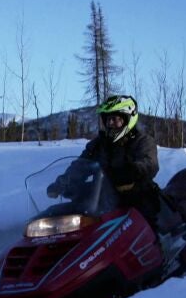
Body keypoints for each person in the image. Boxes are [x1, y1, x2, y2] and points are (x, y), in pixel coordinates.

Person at [48, 95, 161, 226]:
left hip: (134, 197)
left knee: (144, 223)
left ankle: (157, 244)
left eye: (115, 119)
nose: (111, 124)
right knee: (58, 215)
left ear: (128, 119)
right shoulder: (99, 144)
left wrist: (131, 171)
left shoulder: (142, 141)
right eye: (108, 120)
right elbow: (80, 166)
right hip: (102, 197)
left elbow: (149, 164)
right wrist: (62, 182)